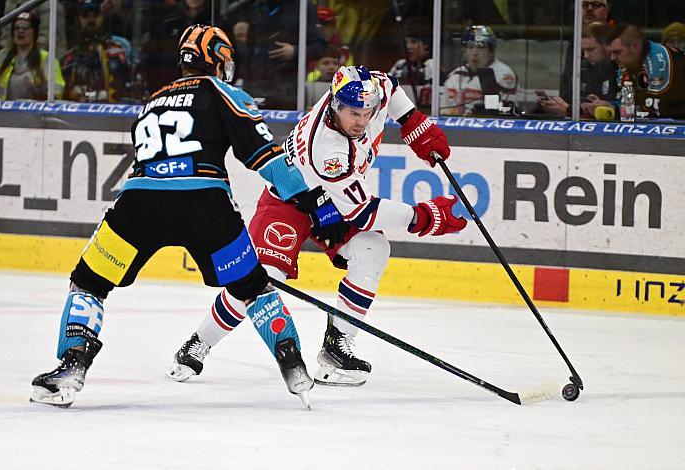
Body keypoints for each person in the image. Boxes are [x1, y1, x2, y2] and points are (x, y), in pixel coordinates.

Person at [29, 24, 348, 408]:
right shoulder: (224, 92)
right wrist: (316, 204)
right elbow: (269, 161)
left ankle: (70, 367)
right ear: (218, 59)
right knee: (253, 290)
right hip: (206, 205)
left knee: (88, 283)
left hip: (139, 203)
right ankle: (293, 365)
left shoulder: (154, 99)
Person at [166, 65, 467, 388]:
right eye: (353, 113)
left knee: (372, 249)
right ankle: (199, 342)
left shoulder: (369, 91)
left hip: (335, 203)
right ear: (335, 105)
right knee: (262, 281)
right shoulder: (327, 150)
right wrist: (423, 218)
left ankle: (337, 347)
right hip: (290, 201)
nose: (362, 121)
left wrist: (411, 120)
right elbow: (364, 212)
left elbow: (389, 85)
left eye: (368, 112)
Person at [240, 0, 326, 109]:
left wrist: (294, 51)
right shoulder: (257, 7)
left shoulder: (303, 7)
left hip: (286, 93)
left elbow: (320, 47)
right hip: (254, 90)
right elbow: (249, 51)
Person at [140, 0, 232, 94]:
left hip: (206, 93)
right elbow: (152, 60)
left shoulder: (219, 23)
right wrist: (155, 90)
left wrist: (224, 92)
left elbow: (230, 60)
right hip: (168, 90)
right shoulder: (168, 23)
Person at [606, 23, 685, 119]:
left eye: (617, 52)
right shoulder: (627, 63)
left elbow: (655, 111)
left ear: (634, 46)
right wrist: (607, 105)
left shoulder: (658, 61)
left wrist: (616, 111)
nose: (612, 58)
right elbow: (627, 102)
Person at [539, 22, 617, 118]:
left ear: (607, 46)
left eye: (591, 50)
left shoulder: (619, 71)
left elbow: (621, 111)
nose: (586, 56)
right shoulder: (581, 69)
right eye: (583, 51)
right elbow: (570, 101)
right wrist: (561, 106)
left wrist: (568, 110)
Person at [61, 0, 131, 103]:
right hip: (77, 114)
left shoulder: (117, 52)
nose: (91, 19)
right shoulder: (69, 58)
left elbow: (126, 87)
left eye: (95, 15)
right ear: (78, 19)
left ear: (102, 17)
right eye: (86, 16)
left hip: (110, 113)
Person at [0, 12, 64, 100]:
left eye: (25, 28)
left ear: (34, 32)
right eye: (17, 28)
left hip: (34, 113)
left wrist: (39, 92)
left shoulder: (47, 58)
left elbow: (57, 93)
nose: (20, 31)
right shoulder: (2, 56)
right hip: (4, 112)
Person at [440, 25, 517, 116]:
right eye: (470, 47)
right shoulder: (455, 75)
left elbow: (506, 111)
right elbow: (442, 110)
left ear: (491, 51)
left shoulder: (504, 75)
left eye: (481, 47)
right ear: (464, 51)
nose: (475, 53)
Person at [387, 33, 434, 108]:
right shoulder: (400, 64)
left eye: (414, 42)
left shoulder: (432, 65)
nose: (408, 46)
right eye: (406, 42)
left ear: (426, 46)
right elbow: (386, 86)